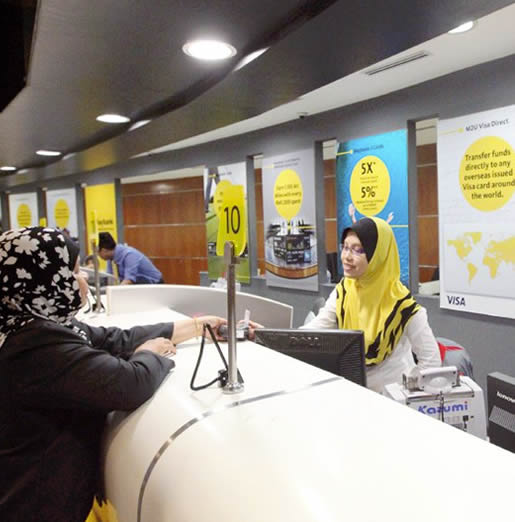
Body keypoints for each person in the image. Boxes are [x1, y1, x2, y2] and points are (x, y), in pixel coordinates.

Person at [0, 227, 226, 522]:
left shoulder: (29, 325)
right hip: (32, 506)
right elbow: (128, 384)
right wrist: (150, 353)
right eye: (74, 272)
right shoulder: (35, 344)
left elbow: (113, 339)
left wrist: (196, 327)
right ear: (43, 280)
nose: (82, 280)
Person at [302, 216, 441, 393]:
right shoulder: (344, 291)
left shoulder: (403, 306)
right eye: (345, 247)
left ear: (378, 255)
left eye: (358, 250)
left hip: (391, 397)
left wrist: (405, 392)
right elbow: (313, 331)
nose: (346, 257)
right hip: (353, 391)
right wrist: (278, 342)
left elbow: (431, 361)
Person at [97, 231, 163, 285]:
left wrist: (115, 292)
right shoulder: (111, 258)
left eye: (98, 252)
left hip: (155, 285)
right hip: (140, 285)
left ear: (103, 250)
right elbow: (110, 278)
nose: (98, 255)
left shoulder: (129, 255)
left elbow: (128, 281)